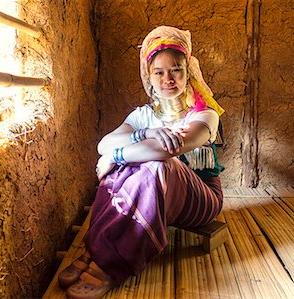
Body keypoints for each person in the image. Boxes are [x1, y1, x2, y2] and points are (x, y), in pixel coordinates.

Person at [58, 25, 225, 299]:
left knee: (157, 164)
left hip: (200, 198)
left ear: (188, 72)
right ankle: (97, 248)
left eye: (175, 70)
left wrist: (116, 155)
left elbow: (164, 151)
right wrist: (143, 134)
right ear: (149, 76)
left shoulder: (204, 115)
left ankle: (110, 263)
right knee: (131, 166)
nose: (167, 79)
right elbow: (105, 143)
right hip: (159, 193)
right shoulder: (142, 116)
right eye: (158, 72)